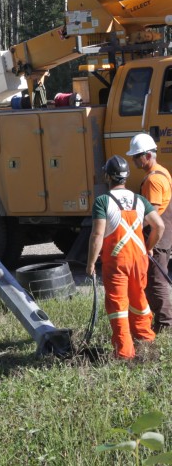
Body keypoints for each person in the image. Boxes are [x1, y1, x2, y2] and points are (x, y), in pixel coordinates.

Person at [86, 155, 163, 359]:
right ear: (126, 177)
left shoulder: (103, 201)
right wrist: (149, 247)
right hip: (139, 260)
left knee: (118, 306)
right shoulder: (140, 200)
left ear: (107, 176)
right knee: (139, 299)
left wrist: (91, 262)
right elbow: (159, 226)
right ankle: (146, 341)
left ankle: (124, 353)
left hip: (117, 261)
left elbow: (97, 235)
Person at [128, 132, 172, 332]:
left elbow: (151, 217)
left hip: (157, 234)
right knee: (156, 280)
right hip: (164, 232)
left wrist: (148, 245)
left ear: (146, 155)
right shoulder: (162, 171)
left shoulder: (153, 180)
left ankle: (165, 324)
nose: (133, 160)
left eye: (135, 156)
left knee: (156, 282)